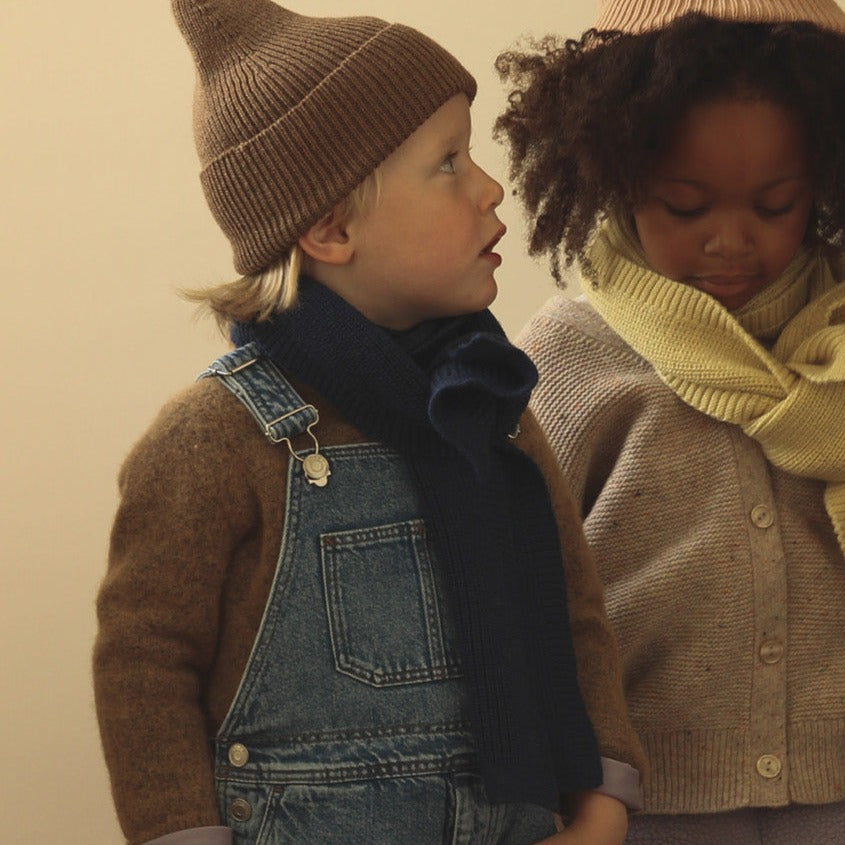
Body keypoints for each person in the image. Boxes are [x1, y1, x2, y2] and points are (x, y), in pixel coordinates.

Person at [92, 1, 647, 843]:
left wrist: (602, 801)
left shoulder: (493, 406)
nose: (490, 186)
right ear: (331, 226)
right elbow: (144, 666)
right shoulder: (216, 438)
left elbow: (575, 617)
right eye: (448, 163)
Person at [495, 0, 845, 842]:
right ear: (611, 174)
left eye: (775, 204)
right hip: (640, 800)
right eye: (684, 206)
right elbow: (513, 591)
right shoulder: (566, 359)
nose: (730, 241)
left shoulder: (834, 342)